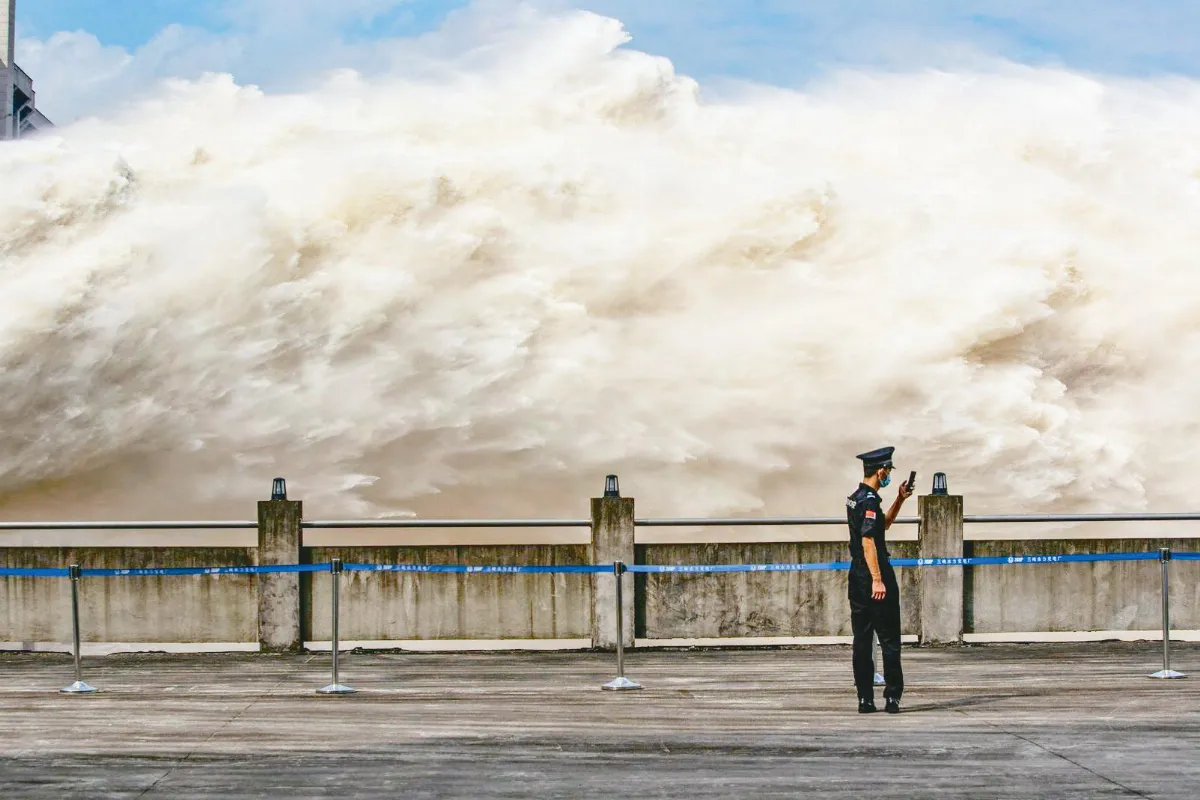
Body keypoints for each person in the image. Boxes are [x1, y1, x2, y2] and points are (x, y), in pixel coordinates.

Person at [846, 446, 912, 713]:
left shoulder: (855, 498)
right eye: (888, 472)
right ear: (881, 470)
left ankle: (864, 699)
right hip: (875, 575)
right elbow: (868, 540)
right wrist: (877, 579)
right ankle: (892, 697)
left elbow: (881, 525)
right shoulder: (870, 500)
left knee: (862, 640)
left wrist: (900, 499)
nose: (889, 477)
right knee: (889, 641)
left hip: (856, 576)